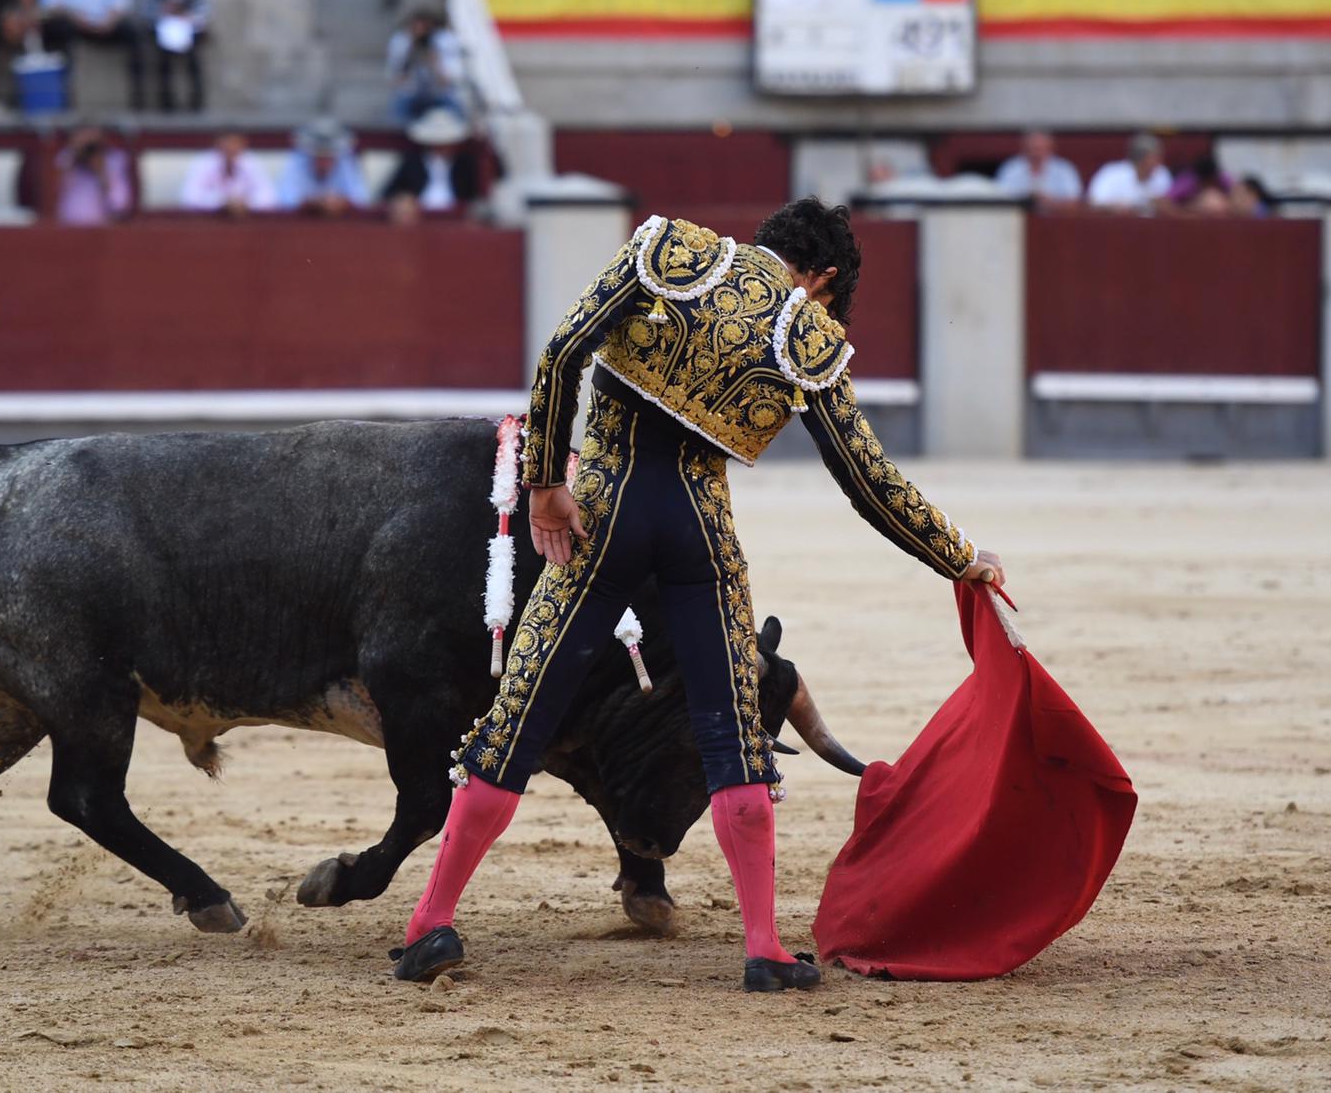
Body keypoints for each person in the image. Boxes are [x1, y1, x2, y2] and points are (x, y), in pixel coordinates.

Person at [390, 199, 1004, 992]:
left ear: (766, 242)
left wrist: (545, 484)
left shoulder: (670, 250)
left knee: (516, 725)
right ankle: (763, 948)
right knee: (734, 736)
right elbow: (868, 480)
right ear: (820, 278)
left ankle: (431, 923)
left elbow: (562, 353)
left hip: (601, 516)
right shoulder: (809, 334)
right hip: (699, 534)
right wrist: (960, 557)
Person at [35, 0, 145, 110]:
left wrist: (109, 22)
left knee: (134, 31)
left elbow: (121, 1)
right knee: (57, 28)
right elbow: (52, 4)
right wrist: (79, 20)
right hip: (72, 22)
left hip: (106, 23)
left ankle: (138, 100)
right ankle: (65, 100)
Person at [381, 107, 486, 225]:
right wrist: (405, 199)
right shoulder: (414, 162)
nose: (443, 147)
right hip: (419, 220)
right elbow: (389, 192)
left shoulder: (464, 165)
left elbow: (478, 194)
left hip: (456, 220)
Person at [275, 117, 369, 216]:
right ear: (309, 154)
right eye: (319, 155)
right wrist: (314, 203)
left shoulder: (345, 162)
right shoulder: (298, 162)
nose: (324, 161)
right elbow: (286, 201)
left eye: (329, 156)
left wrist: (341, 203)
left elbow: (361, 200)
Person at [385, 6, 464, 122]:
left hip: (438, 94)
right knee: (399, 111)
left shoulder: (442, 43)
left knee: (456, 112)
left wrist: (435, 63)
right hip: (412, 94)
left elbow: (448, 80)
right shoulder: (403, 43)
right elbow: (396, 78)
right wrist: (409, 58)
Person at [177, 128, 275, 218]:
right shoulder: (203, 162)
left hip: (247, 221)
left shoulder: (252, 162)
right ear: (217, 143)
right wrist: (222, 202)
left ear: (244, 144)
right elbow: (189, 197)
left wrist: (246, 203)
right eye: (227, 142)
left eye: (235, 142)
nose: (230, 147)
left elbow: (270, 197)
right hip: (209, 223)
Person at [142, 0, 205, 112]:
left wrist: (189, 17)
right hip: (162, 22)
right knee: (163, 55)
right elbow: (147, 4)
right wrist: (163, 14)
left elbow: (203, 4)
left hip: (189, 23)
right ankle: (166, 102)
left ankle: (196, 102)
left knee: (193, 57)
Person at [54, 122, 129, 225]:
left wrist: (101, 171)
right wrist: (76, 154)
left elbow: (120, 204)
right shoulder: (67, 159)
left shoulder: (114, 161)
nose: (88, 150)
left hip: (101, 229)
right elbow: (57, 190)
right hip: (69, 226)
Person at [1086, 132, 1172, 214]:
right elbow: (1093, 203)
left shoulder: (1162, 173)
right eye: (1155, 158)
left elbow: (1168, 205)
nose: (1159, 163)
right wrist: (1115, 207)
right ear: (1141, 159)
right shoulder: (1111, 173)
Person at [994, 129, 1082, 208]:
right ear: (1024, 148)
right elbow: (1000, 197)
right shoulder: (1011, 168)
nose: (1035, 153)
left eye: (1039, 149)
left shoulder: (1064, 169)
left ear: (1050, 148)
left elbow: (1074, 202)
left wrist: (1050, 202)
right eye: (1031, 149)